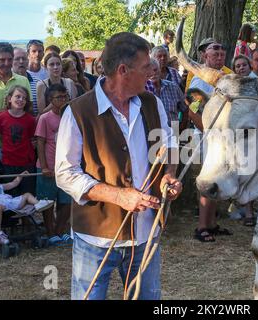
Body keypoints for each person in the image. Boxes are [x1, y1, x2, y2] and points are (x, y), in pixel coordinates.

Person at [55, 31, 182, 300]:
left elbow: (169, 145)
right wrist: (118, 196)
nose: (152, 70)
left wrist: (168, 176)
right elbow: (65, 174)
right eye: (146, 66)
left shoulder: (151, 102)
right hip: (96, 238)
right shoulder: (77, 111)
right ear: (123, 70)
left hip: (146, 233)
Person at [189, 41, 233, 242]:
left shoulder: (228, 77)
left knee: (217, 178)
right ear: (204, 55)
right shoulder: (199, 80)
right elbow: (193, 110)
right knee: (207, 180)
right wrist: (208, 132)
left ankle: (212, 224)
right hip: (208, 137)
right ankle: (201, 227)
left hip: (222, 137)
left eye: (222, 50)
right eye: (214, 50)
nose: (220, 53)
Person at [35, 83, 72, 246]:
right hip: (48, 166)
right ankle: (50, 233)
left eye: (65, 96)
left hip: (66, 166)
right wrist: (44, 166)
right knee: (48, 202)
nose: (63, 100)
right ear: (51, 99)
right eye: (59, 97)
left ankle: (60, 230)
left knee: (66, 201)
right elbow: (40, 143)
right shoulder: (45, 118)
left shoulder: (71, 115)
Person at [0, 165, 54, 245]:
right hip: (1, 207)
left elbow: (14, 183)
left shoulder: (1, 186)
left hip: (12, 203)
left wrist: (21, 175)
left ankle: (38, 204)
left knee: (27, 195)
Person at [0, 85, 36, 196]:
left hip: (26, 163)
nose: (21, 100)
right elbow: (1, 136)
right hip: (8, 163)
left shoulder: (30, 120)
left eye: (24, 98)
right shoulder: (1, 117)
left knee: (27, 194)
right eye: (17, 96)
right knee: (11, 195)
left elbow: (32, 139)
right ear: (9, 99)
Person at [149, 58, 187, 127]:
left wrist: (182, 126)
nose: (153, 73)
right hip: (153, 133)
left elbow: (185, 108)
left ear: (160, 70)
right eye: (149, 71)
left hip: (174, 130)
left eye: (155, 70)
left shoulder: (173, 87)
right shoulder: (143, 90)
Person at [12, 47, 40, 116]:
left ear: (28, 61)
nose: (21, 61)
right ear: (11, 61)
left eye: (24, 59)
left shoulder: (38, 83)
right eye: (17, 59)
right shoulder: (7, 82)